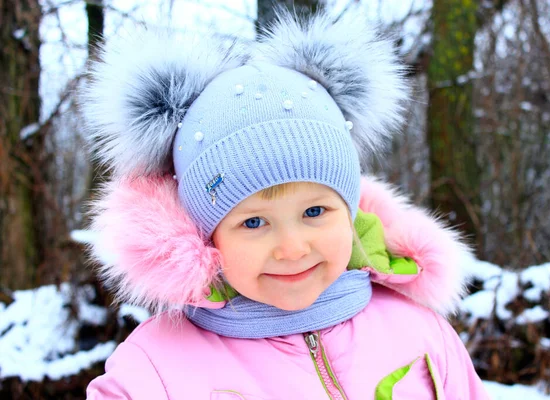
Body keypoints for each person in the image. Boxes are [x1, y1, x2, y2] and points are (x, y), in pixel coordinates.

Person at [82, 8, 489, 400]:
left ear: (349, 214)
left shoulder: (418, 334)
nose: (292, 247)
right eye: (254, 222)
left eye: (314, 212)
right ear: (206, 236)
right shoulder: (155, 373)